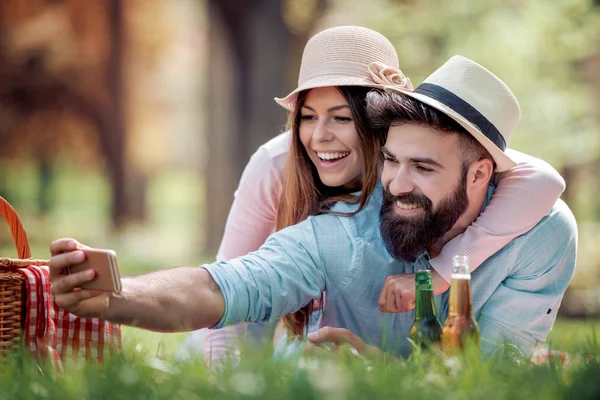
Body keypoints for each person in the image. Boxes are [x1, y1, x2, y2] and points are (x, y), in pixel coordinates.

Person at [49, 55, 576, 358]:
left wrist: (378, 371)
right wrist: (120, 296)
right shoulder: (349, 228)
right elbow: (227, 284)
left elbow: (488, 378)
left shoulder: (540, 239)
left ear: (481, 173)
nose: (395, 184)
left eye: (424, 168)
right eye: (390, 160)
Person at [180, 26, 566, 362]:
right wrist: (227, 379)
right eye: (308, 116)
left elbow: (543, 181)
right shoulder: (277, 164)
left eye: (342, 117)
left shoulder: (424, 154)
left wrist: (443, 271)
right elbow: (229, 285)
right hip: (261, 323)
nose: (319, 136)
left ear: (380, 118)